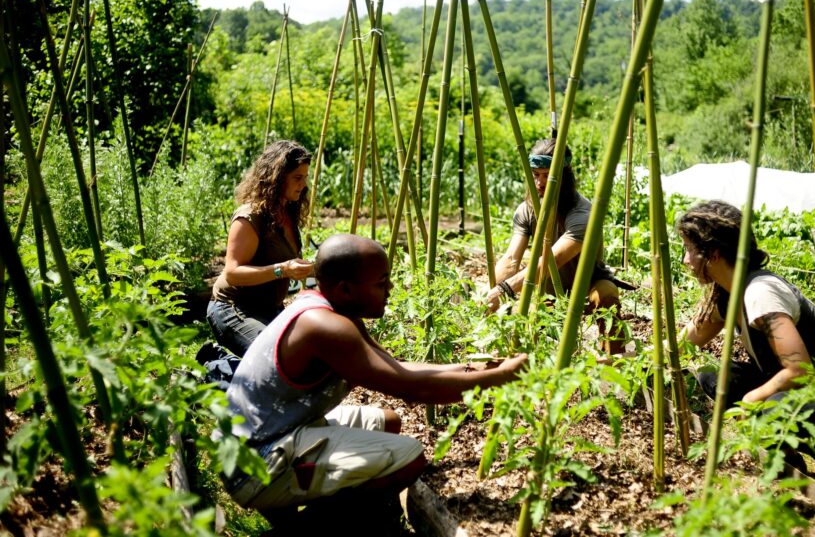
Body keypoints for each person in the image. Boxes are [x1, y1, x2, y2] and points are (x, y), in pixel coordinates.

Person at [220, 233, 527, 530]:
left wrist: (471, 368)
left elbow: (397, 367)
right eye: (382, 282)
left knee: (388, 422)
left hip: (272, 435)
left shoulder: (330, 309)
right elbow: (410, 388)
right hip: (253, 466)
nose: (391, 288)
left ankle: (297, 509)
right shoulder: (325, 328)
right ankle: (306, 528)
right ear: (345, 289)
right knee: (409, 458)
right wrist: (498, 379)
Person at [675, 200, 815, 454]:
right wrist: (637, 358)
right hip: (807, 392)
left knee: (769, 411)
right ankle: (788, 452)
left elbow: (800, 371)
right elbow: (682, 343)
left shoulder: (760, 293)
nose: (685, 260)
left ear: (713, 254)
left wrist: (752, 399)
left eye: (688, 249)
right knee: (715, 377)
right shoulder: (726, 295)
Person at [485, 138, 629, 353]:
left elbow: (553, 259)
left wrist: (506, 289)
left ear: (564, 177)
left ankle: (614, 361)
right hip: (547, 289)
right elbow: (511, 259)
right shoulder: (527, 210)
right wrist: (491, 295)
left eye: (547, 176)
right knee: (527, 326)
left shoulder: (583, 214)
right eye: (536, 175)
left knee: (607, 293)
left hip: (587, 286)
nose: (540, 183)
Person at [207, 140, 316, 357]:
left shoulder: (287, 214)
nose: (303, 185)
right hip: (233, 309)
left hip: (270, 310)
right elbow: (233, 273)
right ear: (276, 178)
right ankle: (217, 366)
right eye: (297, 178)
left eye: (305, 177)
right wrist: (283, 269)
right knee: (274, 357)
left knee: (309, 354)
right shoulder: (250, 217)